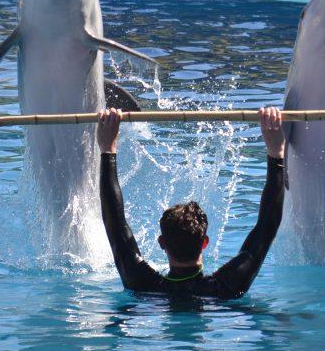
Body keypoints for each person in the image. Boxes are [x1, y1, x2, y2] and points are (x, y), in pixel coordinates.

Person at [96, 107, 285, 299]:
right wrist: (276, 152)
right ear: (205, 243)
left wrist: (107, 150)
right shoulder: (227, 287)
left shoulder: (143, 286)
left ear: (162, 243)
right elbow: (267, 227)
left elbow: (115, 225)